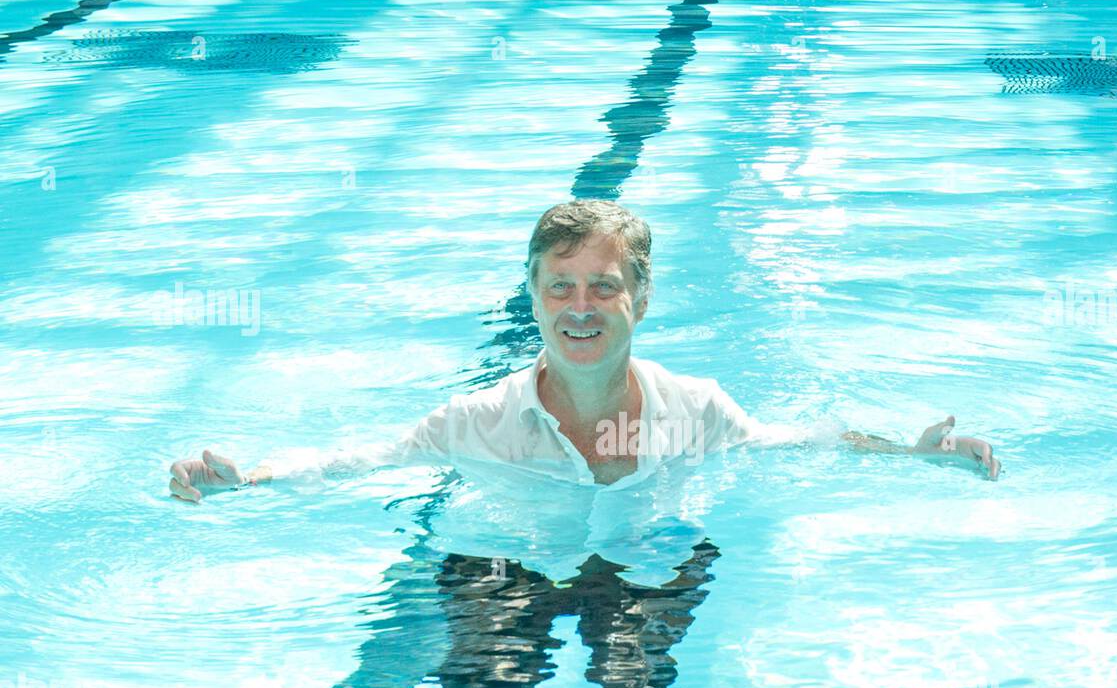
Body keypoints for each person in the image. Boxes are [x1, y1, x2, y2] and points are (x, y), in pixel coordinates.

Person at [167, 200, 1000, 503]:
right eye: (559, 287)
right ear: (532, 299)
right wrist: (249, 481)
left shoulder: (697, 409)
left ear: (642, 298)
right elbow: (361, 462)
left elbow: (806, 442)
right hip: (510, 575)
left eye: (603, 287)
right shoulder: (479, 420)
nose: (580, 308)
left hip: (649, 574)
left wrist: (914, 457)